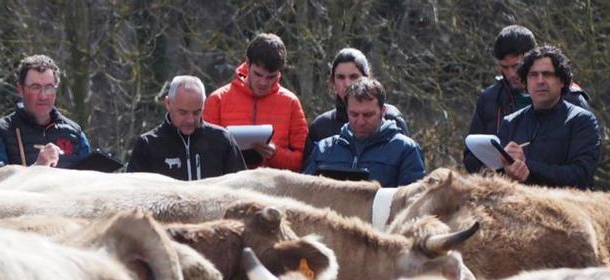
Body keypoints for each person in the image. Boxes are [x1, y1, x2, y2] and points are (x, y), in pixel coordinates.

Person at [464, 25, 591, 173]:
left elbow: (585, 163)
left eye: (516, 66)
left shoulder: (571, 97)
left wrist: (526, 165)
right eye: (505, 67)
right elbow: (470, 157)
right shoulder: (490, 99)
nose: (511, 74)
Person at [496, 45, 600, 189]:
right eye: (533, 75)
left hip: (566, 208)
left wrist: (527, 166)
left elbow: (581, 175)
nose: (540, 81)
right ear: (526, 82)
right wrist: (508, 171)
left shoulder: (582, 121)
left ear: (562, 81)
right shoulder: (511, 123)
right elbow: (496, 176)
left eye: (547, 74)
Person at [203, 33, 308, 171]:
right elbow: (203, 156)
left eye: (271, 77)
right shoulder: (218, 100)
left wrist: (275, 153)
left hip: (273, 189)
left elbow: (305, 161)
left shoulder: (291, 103)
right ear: (247, 63)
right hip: (229, 187)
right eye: (258, 74)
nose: (263, 82)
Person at [303, 77, 425, 187]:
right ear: (346, 111)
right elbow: (303, 193)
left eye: (368, 115)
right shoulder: (325, 149)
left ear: (383, 111)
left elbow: (413, 204)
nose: (360, 122)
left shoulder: (405, 150)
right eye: (354, 114)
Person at [303, 48, 410, 165]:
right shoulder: (321, 126)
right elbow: (308, 175)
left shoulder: (391, 118)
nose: (347, 83)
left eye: (353, 76)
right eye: (340, 77)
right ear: (333, 81)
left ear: (366, 77)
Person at [0, 54, 90, 168]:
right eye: (35, 87)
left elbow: (89, 181)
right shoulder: (2, 133)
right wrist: (37, 167)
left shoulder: (75, 134)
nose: (43, 96)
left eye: (49, 88)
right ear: (20, 89)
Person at [126, 75, 245, 180]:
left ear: (203, 106)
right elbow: (134, 194)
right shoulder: (147, 145)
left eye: (196, 112)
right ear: (168, 104)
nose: (190, 120)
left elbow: (241, 188)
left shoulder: (222, 140)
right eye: (183, 112)